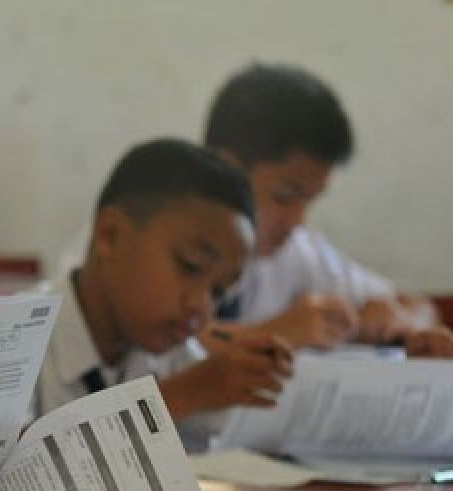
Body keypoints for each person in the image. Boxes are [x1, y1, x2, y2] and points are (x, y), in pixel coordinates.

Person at [37, 138, 293, 452]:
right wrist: (182, 394)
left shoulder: (179, 356)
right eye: (190, 266)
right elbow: (24, 479)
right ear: (110, 235)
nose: (201, 306)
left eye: (219, 291)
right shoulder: (11, 351)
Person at [200, 63, 453, 356]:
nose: (298, 220)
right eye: (284, 196)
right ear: (225, 169)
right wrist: (275, 333)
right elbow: (168, 350)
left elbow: (420, 308)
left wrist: (403, 324)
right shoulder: (167, 244)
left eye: (309, 200)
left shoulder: (296, 253)